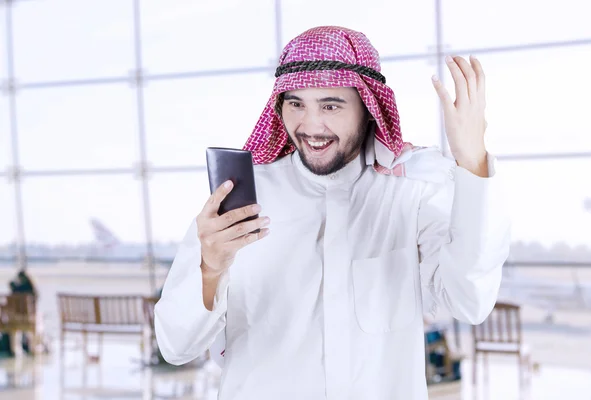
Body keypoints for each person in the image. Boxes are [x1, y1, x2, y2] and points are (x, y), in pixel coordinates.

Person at [154, 26, 511, 399]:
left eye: (330, 105)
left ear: (369, 107)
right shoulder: (242, 200)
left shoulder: (410, 192)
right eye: (296, 104)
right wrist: (211, 269)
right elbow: (176, 346)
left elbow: (470, 301)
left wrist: (472, 162)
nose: (310, 126)